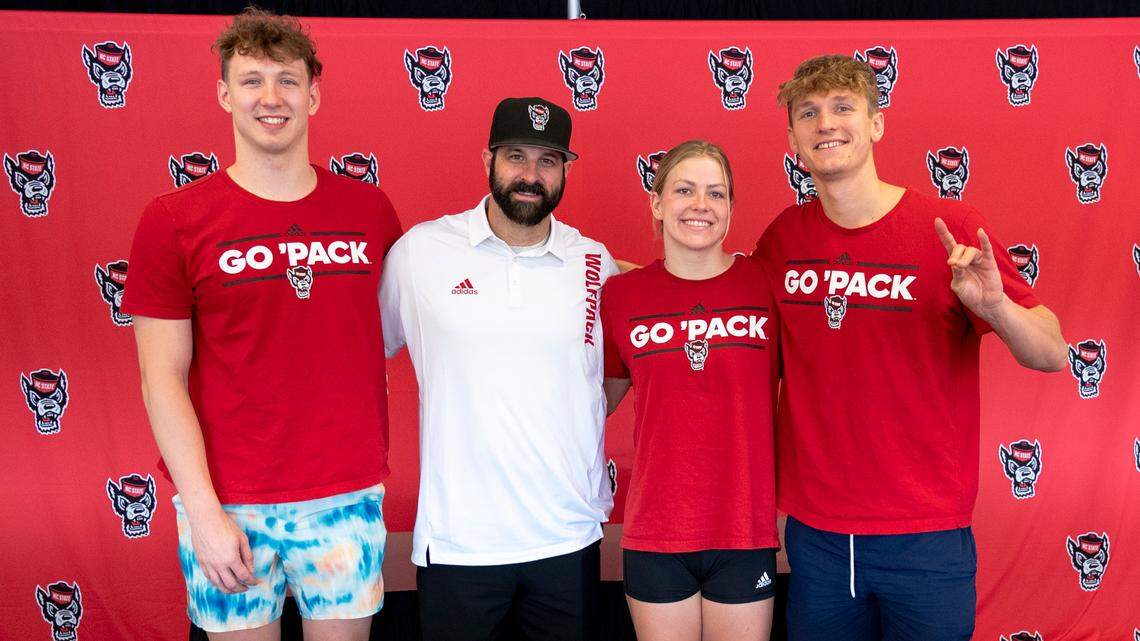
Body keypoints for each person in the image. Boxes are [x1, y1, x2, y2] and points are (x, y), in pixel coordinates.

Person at [752, 55, 1067, 641]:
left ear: (876, 124)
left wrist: (995, 307)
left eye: (843, 107)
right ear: (793, 136)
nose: (826, 123)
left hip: (926, 535)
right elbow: (723, 311)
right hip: (818, 537)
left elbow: (1052, 352)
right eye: (808, 113)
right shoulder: (784, 237)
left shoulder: (947, 226)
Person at [122, 8, 402, 640]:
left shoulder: (369, 210)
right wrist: (201, 510)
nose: (270, 98)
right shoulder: (173, 220)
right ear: (224, 93)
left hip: (344, 495)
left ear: (315, 94)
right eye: (251, 81)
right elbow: (160, 377)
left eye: (287, 80)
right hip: (228, 502)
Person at [379, 97, 618, 641]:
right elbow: (363, 346)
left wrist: (578, 420)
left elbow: (610, 371)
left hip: (567, 537)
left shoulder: (593, 261)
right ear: (487, 159)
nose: (530, 176)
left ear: (565, 170)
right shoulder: (421, 253)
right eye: (516, 157)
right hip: (459, 543)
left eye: (548, 161)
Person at [601, 140, 780, 641]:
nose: (700, 204)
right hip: (657, 532)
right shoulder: (620, 295)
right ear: (657, 204)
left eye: (715, 193)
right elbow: (600, 400)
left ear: (730, 209)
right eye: (684, 190)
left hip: (744, 529)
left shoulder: (766, 285)